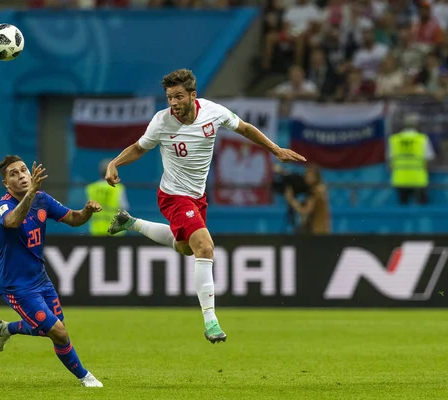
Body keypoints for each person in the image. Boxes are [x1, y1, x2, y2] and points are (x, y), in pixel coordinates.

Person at [104, 69, 306, 344]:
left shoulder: (213, 112)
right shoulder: (161, 122)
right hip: (173, 195)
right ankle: (210, 320)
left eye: (178, 96)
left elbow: (245, 127)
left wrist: (276, 149)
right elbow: (140, 147)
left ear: (192, 95)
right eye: (169, 97)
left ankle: (131, 222)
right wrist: (115, 163)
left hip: (198, 196)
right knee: (205, 247)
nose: (173, 103)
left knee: (187, 248)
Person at [0, 155, 104, 388]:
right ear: (6, 183)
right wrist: (31, 194)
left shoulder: (42, 199)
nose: (21, 175)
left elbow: (73, 218)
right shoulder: (3, 206)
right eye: (14, 173)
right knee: (59, 333)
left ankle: (7, 328)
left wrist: (87, 211)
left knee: (52, 328)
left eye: (24, 170)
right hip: (16, 285)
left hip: (40, 279)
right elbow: (12, 222)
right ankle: (86, 378)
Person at [388, 113, 434, 205]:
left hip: (400, 179)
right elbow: (428, 159)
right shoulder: (422, 139)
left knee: (403, 209)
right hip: (418, 179)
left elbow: (390, 161)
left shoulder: (394, 139)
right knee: (421, 209)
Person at [85, 158, 129, 236]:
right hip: (116, 231)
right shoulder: (118, 188)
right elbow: (125, 207)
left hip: (96, 230)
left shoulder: (91, 188)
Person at [284, 164, 331, 234]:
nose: (307, 179)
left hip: (317, 231)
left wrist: (291, 200)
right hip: (322, 229)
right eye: (306, 176)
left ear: (316, 177)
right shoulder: (320, 189)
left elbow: (305, 211)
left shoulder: (316, 191)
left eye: (310, 176)